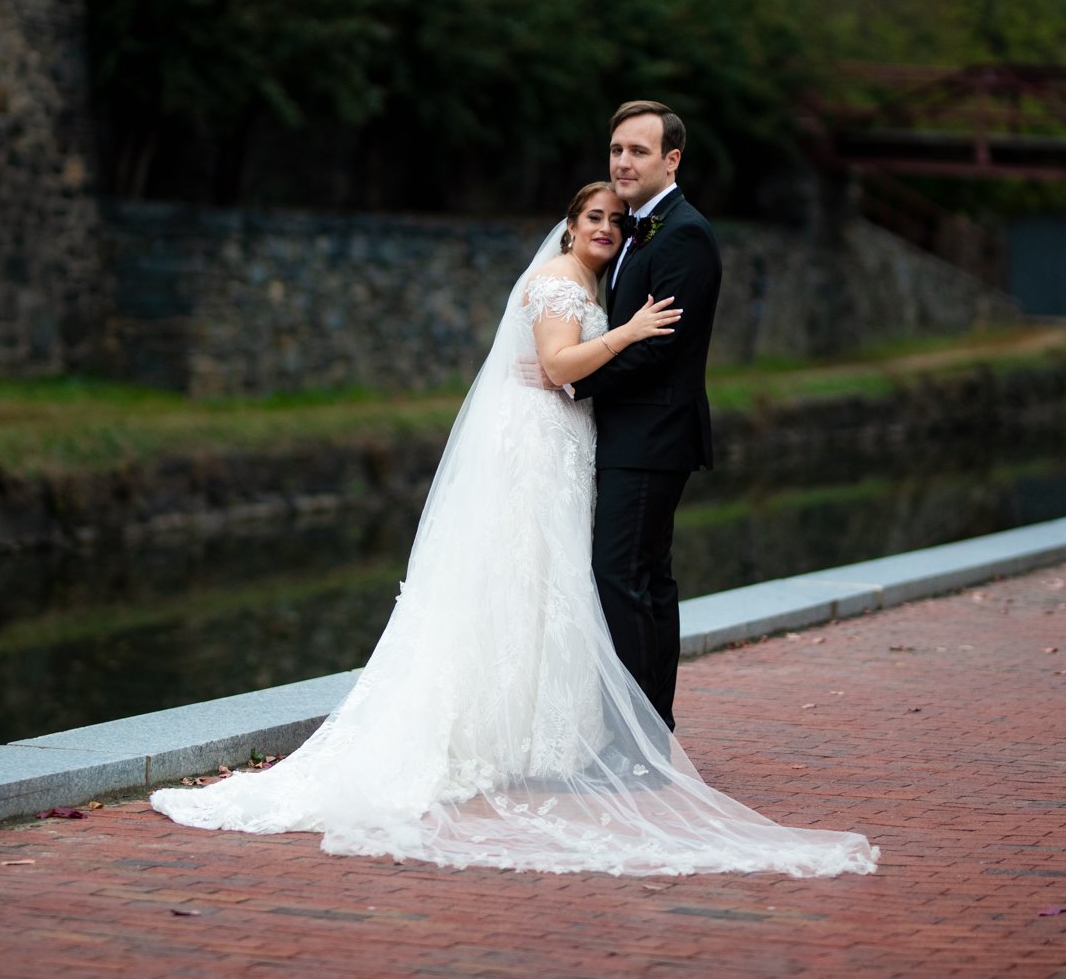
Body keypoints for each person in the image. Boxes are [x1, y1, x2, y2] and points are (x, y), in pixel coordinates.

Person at [151, 179, 877, 878]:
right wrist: (626, 331)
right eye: (593, 216)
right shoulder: (562, 281)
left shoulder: (587, 281)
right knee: (526, 570)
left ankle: (533, 730)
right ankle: (505, 732)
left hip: (563, 442)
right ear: (568, 225)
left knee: (547, 580)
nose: (604, 228)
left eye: (614, 221)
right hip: (537, 444)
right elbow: (560, 364)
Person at [569, 100, 720, 731]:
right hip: (638, 432)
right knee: (646, 579)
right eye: (616, 151)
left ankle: (634, 736)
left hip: (652, 434)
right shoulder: (639, 227)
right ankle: (650, 731)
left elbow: (661, 349)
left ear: (671, 159)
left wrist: (570, 380)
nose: (623, 162)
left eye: (638, 151)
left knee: (621, 575)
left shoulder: (682, 233)